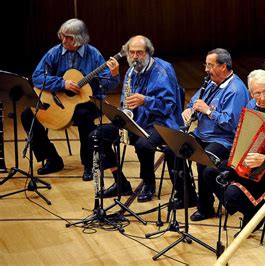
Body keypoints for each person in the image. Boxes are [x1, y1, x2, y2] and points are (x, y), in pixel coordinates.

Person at [21, 18, 120, 181]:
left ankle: (89, 164)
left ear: (79, 39)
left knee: (83, 115)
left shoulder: (93, 55)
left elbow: (108, 84)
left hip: (89, 101)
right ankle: (52, 159)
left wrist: (114, 74)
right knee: (27, 114)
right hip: (59, 101)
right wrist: (62, 83)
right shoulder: (54, 52)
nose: (63, 40)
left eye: (68, 37)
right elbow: (37, 77)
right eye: (63, 35)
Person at [202, 69, 265, 235]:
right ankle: (252, 210)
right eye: (257, 93)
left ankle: (252, 213)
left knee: (232, 194)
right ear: (250, 93)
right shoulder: (251, 105)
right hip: (248, 161)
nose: (261, 98)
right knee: (210, 172)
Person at [94, 35, 184, 202]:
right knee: (98, 135)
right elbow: (125, 98)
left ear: (148, 53)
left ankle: (149, 183)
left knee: (143, 144)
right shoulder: (130, 71)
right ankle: (120, 182)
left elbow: (169, 106)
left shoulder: (163, 70)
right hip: (136, 120)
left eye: (139, 52)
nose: (135, 56)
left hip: (161, 122)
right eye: (132, 52)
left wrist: (146, 101)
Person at [181, 48, 250, 221]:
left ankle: (207, 207)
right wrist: (190, 109)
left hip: (223, 139)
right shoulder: (212, 82)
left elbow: (231, 124)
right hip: (202, 133)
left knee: (204, 161)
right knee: (173, 151)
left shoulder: (235, 90)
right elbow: (195, 101)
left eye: (210, 65)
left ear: (223, 67)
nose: (206, 69)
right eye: (206, 64)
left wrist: (208, 112)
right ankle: (186, 195)